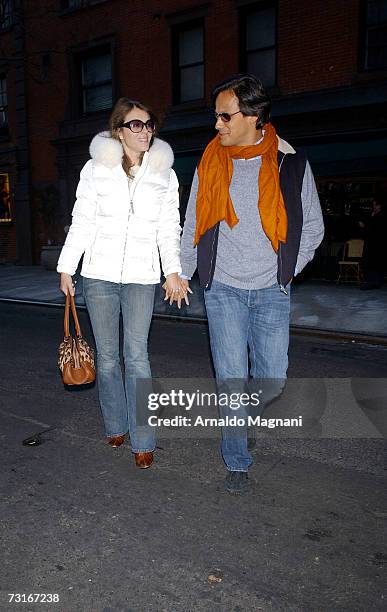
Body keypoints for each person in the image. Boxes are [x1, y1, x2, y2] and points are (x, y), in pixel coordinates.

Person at [179, 74, 324, 493]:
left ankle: (244, 415)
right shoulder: (210, 162)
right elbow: (194, 223)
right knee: (230, 379)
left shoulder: (289, 163)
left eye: (225, 116)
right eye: (217, 117)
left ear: (253, 115)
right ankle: (237, 460)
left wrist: (287, 269)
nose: (218, 125)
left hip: (270, 291)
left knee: (272, 379)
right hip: (222, 288)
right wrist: (183, 272)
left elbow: (312, 226)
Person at [57, 98, 188, 469]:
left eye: (149, 125)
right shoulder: (96, 169)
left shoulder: (165, 173)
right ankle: (116, 423)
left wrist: (172, 270)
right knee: (110, 359)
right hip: (98, 274)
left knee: (137, 356)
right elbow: (82, 218)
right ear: (119, 130)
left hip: (142, 277)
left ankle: (143, 439)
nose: (145, 131)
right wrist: (67, 267)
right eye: (136, 125)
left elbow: (169, 227)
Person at [360, 199, 386, 289]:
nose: (373, 207)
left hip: (376, 244)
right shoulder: (375, 216)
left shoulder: (380, 217)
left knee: (373, 262)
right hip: (375, 243)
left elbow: (374, 229)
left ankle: (373, 282)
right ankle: (375, 282)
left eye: (375, 205)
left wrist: (365, 226)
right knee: (375, 262)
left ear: (379, 206)